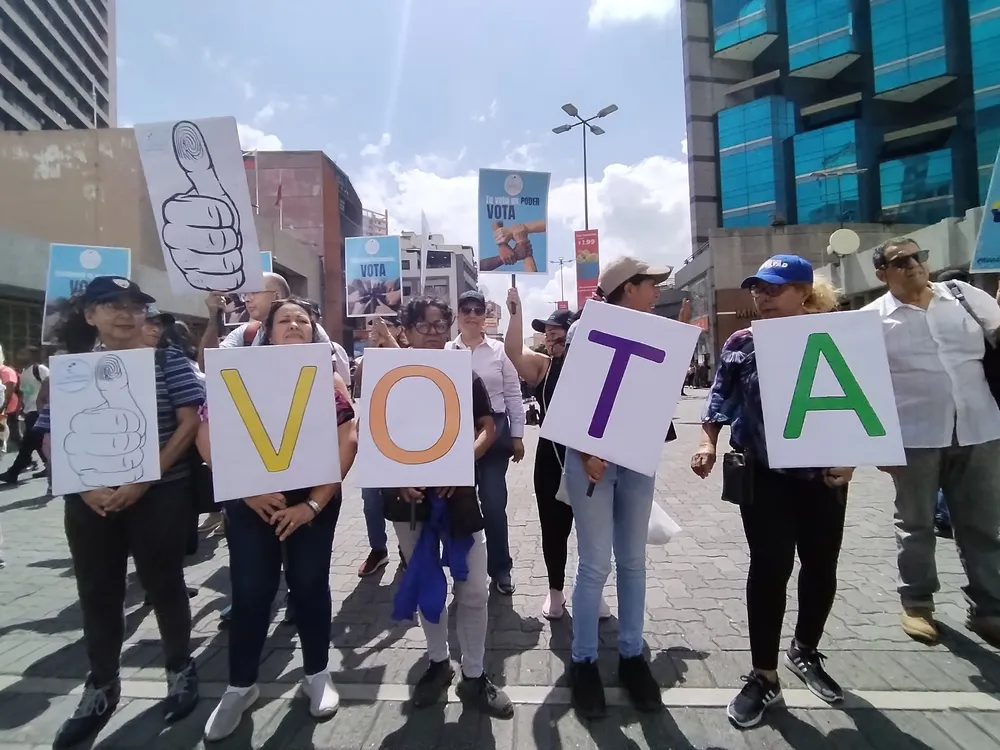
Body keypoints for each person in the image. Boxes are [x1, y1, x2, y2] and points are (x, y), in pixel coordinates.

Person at [34, 276, 203, 748]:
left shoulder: (168, 360)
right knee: (98, 591)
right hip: (88, 499)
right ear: (91, 315)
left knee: (164, 584)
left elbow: (190, 422)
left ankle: (180, 668)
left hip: (160, 493)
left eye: (135, 306)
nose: (127, 314)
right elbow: (49, 434)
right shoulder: (71, 370)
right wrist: (83, 486)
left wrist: (144, 478)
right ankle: (102, 683)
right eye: (112, 305)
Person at [691, 255, 853, 729]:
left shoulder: (834, 337)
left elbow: (859, 401)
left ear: (805, 292)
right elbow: (719, 397)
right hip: (762, 476)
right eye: (758, 289)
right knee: (769, 569)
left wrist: (850, 457)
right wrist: (707, 440)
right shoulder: (742, 342)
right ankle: (764, 676)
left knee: (821, 565)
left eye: (775, 289)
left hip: (823, 478)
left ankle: (805, 650)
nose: (763, 297)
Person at [201, 297, 358, 741]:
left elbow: (348, 440)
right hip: (251, 502)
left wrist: (311, 504)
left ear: (313, 332)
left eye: (302, 320)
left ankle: (316, 674)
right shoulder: (236, 375)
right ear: (267, 331)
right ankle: (240, 686)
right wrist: (246, 490)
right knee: (251, 591)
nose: (293, 325)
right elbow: (206, 435)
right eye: (284, 320)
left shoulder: (327, 381)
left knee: (310, 586)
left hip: (312, 503)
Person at [863, 238, 1000, 646]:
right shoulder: (872, 319)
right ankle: (918, 604)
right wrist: (877, 447)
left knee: (983, 524)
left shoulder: (964, 297)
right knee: (916, 524)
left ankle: (990, 609)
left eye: (917, 256)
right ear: (882, 274)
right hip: (914, 436)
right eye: (899, 261)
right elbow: (866, 387)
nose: (912, 265)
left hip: (980, 427)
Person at [385, 296, 513, 717]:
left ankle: (474, 674)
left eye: (441, 324)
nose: (437, 332)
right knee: (426, 585)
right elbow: (372, 435)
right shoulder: (385, 376)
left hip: (457, 494)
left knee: (474, 588)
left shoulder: (463, 373)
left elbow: (487, 427)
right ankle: (438, 663)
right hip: (408, 499)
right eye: (426, 326)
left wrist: (459, 462)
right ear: (405, 332)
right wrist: (401, 477)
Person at [561, 257, 672, 719]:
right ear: (628, 287)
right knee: (594, 565)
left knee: (632, 562)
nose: (658, 291)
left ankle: (631, 656)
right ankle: (583, 661)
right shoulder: (583, 329)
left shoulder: (658, 332)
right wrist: (586, 450)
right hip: (590, 461)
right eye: (652, 284)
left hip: (637, 456)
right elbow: (566, 395)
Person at [503, 295, 613, 621]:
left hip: (592, 460)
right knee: (554, 529)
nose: (550, 340)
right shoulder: (543, 367)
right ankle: (555, 591)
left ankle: (594, 592)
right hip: (552, 460)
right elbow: (512, 351)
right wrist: (516, 312)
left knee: (593, 531)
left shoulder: (596, 366)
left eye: (557, 333)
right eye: (547, 335)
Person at [447, 290, 525, 594]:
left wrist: (517, 435)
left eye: (477, 309)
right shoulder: (445, 350)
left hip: (494, 432)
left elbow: (513, 394)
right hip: (456, 436)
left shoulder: (499, 351)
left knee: (493, 505)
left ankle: (501, 569)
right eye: (465, 308)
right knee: (459, 506)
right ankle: (461, 571)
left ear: (485, 315)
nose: (471, 314)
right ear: (458, 314)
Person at [355, 316, 411, 576]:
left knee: (401, 494)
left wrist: (387, 341)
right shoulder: (368, 356)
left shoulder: (410, 352)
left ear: (399, 328)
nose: (376, 328)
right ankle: (378, 548)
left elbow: (406, 371)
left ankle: (406, 547)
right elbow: (359, 383)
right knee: (370, 498)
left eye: (385, 324)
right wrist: (374, 349)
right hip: (372, 436)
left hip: (403, 437)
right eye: (372, 324)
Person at [0, 347, 49, 484]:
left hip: (39, 412)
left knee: (28, 443)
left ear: (31, 355)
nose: (19, 356)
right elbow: (25, 394)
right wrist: (20, 409)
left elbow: (50, 385)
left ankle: (13, 472)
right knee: (37, 443)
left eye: (22, 352)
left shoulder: (39, 369)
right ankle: (49, 467)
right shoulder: (22, 373)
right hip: (29, 412)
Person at [0, 346, 19, 451]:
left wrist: (3, 407)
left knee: (13, 433)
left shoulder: (6, 371)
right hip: (4, 408)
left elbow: (9, 391)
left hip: (8, 408)